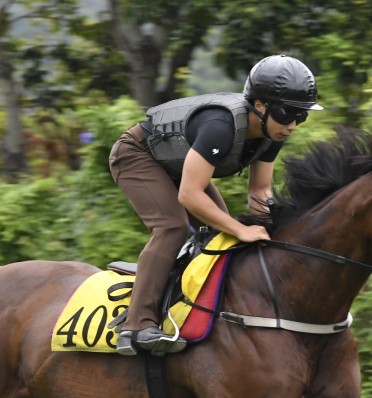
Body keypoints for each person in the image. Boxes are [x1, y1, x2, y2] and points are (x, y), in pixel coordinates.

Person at [108, 54, 322, 356]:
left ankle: (187, 305)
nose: (293, 125)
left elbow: (260, 192)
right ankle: (136, 326)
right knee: (172, 226)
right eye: (287, 114)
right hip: (137, 155)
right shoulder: (220, 126)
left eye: (302, 116)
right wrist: (240, 229)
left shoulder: (273, 132)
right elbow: (189, 195)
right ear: (260, 106)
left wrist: (272, 233)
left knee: (219, 234)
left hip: (178, 163)